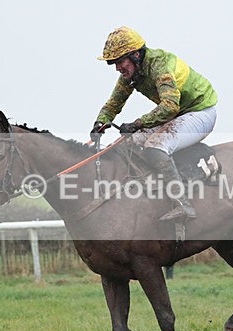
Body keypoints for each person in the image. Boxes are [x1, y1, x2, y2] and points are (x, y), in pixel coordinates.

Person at [91, 26, 218, 221]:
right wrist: (102, 121)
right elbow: (114, 103)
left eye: (119, 62)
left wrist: (137, 123)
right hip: (178, 114)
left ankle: (183, 204)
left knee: (155, 146)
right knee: (129, 142)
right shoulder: (131, 74)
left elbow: (169, 107)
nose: (117, 68)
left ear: (135, 55)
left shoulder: (160, 66)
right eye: (113, 63)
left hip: (200, 112)